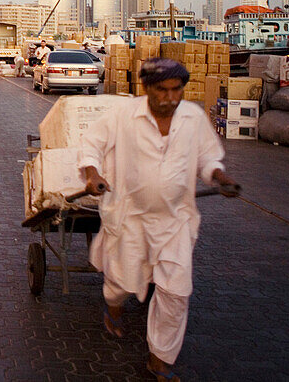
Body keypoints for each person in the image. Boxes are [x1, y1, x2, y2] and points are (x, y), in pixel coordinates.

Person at [78, 58, 239, 382]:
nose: (170, 97)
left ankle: (159, 360)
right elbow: (91, 144)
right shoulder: (124, 115)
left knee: (176, 292)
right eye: (162, 90)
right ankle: (113, 304)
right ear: (146, 89)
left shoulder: (192, 117)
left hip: (175, 221)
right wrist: (93, 175)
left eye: (176, 90)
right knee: (121, 283)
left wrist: (220, 177)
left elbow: (208, 157)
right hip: (131, 218)